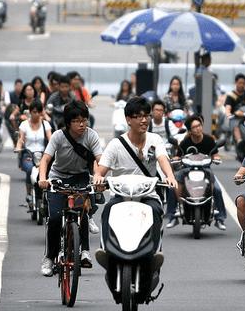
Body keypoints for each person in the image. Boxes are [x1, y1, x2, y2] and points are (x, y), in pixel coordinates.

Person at [93, 97, 177, 284]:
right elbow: (101, 169)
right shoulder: (116, 144)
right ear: (128, 119)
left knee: (156, 212)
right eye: (138, 116)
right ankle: (106, 251)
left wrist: (170, 176)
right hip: (121, 197)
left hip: (148, 195)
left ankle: (155, 253)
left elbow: (163, 159)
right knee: (107, 211)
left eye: (146, 116)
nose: (144, 120)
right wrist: (99, 177)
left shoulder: (155, 139)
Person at [38, 100, 103, 276]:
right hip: (58, 178)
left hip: (80, 178)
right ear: (68, 122)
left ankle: (84, 251)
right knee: (55, 218)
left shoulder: (91, 136)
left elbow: (99, 160)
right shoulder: (58, 136)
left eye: (85, 119)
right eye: (77, 120)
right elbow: (45, 159)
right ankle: (50, 257)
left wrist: (98, 176)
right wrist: (43, 178)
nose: (82, 124)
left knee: (82, 213)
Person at [166, 115, 227, 230]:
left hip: (205, 169)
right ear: (190, 130)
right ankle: (172, 216)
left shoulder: (209, 140)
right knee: (172, 186)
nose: (197, 129)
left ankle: (220, 218)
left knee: (218, 189)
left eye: (199, 126)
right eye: (194, 127)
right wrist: (175, 159)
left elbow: (215, 154)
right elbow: (178, 155)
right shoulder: (185, 142)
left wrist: (217, 158)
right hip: (186, 170)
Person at [15, 99, 52, 205]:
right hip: (28, 154)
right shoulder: (24, 124)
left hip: (43, 154)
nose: (36, 114)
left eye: (38, 112)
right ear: (30, 112)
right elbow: (20, 139)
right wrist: (18, 147)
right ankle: (29, 193)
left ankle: (46, 194)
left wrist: (53, 149)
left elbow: (50, 139)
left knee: (46, 172)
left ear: (41, 112)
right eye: (33, 112)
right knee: (30, 170)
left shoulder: (46, 125)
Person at [224, 73, 245, 147]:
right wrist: (229, 114)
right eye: (240, 83)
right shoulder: (231, 95)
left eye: (243, 83)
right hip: (236, 117)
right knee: (236, 127)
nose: (241, 85)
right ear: (235, 83)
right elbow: (228, 107)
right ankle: (240, 143)